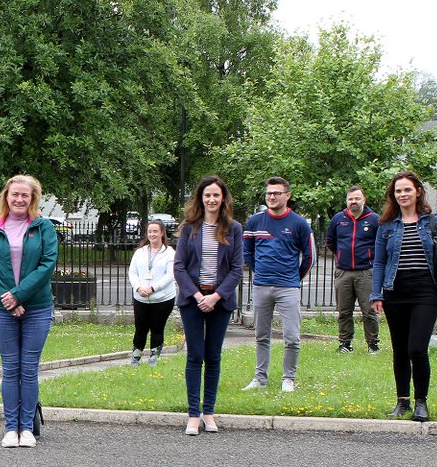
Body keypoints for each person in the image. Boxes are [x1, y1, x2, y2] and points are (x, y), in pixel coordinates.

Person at [371, 171, 437, 422]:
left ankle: (421, 402)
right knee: (400, 349)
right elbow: (379, 262)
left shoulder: (432, 221)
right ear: (394, 195)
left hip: (425, 292)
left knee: (417, 349)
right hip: (395, 292)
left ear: (418, 191)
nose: (403, 194)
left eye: (407, 190)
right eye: (398, 191)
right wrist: (376, 293)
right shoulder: (386, 225)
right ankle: (402, 401)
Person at [0, 175, 58, 448]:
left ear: (32, 198)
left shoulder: (44, 227)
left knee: (29, 369)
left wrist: (19, 294)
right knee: (10, 369)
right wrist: (8, 297)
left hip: (37, 307)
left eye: (25, 195)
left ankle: (27, 429)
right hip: (4, 309)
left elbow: (47, 265)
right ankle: (11, 428)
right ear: (6, 196)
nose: (19, 199)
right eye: (15, 194)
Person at [173, 176, 243, 436]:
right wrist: (196, 295)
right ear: (200, 199)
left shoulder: (233, 228)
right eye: (207, 195)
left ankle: (209, 412)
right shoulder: (190, 227)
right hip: (193, 301)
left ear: (223, 198)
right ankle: (193, 414)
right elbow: (178, 266)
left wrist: (216, 297)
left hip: (220, 301)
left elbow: (237, 269)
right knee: (195, 355)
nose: (211, 200)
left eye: (216, 195)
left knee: (213, 357)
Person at [242, 177, 314, 393]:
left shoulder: (299, 223)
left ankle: (288, 379)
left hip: (288, 288)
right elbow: (248, 252)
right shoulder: (255, 222)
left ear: (287, 195)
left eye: (277, 193)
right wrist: (260, 272)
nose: (272, 197)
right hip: (262, 286)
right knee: (261, 336)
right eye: (269, 193)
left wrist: (294, 278)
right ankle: (259, 378)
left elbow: (309, 256)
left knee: (292, 337)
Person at [325, 186, 381, 354]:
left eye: (357, 198)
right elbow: (330, 241)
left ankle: (372, 344)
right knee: (343, 311)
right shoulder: (338, 219)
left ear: (364, 200)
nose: (353, 202)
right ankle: (345, 344)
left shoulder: (374, 220)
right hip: (343, 272)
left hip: (366, 272)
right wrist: (342, 255)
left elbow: (381, 244)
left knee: (369, 311)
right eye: (350, 199)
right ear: (347, 201)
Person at [127, 219, 176, 366]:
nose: (152, 234)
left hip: (163, 299)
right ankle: (136, 357)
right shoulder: (140, 253)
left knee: (157, 328)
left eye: (155, 231)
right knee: (140, 328)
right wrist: (138, 287)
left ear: (162, 233)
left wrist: (153, 288)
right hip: (141, 298)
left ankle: (154, 358)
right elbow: (132, 272)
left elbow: (170, 275)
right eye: (150, 231)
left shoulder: (169, 253)